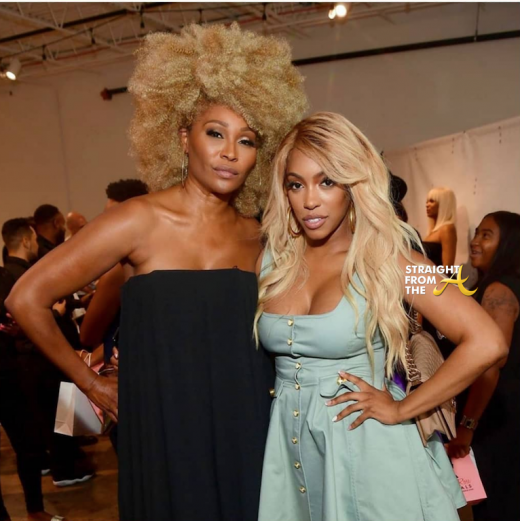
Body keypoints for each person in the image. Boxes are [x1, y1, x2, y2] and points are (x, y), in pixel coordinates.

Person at [6, 23, 307, 521]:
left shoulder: (260, 235)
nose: (230, 153)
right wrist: (91, 383)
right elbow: (26, 298)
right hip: (163, 429)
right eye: (215, 133)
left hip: (247, 427)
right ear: (183, 137)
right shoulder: (137, 220)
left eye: (247, 140)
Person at [254, 113, 507, 521]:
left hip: (369, 450)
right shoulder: (273, 260)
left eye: (327, 182)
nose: (309, 201)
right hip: (292, 449)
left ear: (353, 184)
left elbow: (487, 342)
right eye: (296, 184)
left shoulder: (393, 259)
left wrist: (402, 409)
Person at [2, 218, 94, 488]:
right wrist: (54, 313)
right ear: (25, 240)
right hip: (38, 356)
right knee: (55, 414)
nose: (36, 243)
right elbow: (20, 319)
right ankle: (64, 469)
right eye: (33, 238)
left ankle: (65, 463)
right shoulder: (15, 276)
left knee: (57, 412)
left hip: (38, 355)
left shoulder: (16, 273)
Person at [446, 211, 520, 521]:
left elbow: (490, 363)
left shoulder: (498, 291)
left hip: (493, 419)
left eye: (486, 235)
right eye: (476, 233)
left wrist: (467, 428)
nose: (475, 242)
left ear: (509, 245)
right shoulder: (500, 286)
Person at [0, 224, 67, 521]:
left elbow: (13, 317)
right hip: (14, 369)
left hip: (9, 372)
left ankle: (35, 510)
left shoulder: (3, 276)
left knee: (29, 446)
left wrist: (17, 330)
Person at [422, 187, 457, 267]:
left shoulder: (447, 229)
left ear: (444, 204)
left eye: (432, 201)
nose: (427, 205)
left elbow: (447, 267)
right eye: (427, 202)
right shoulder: (432, 232)